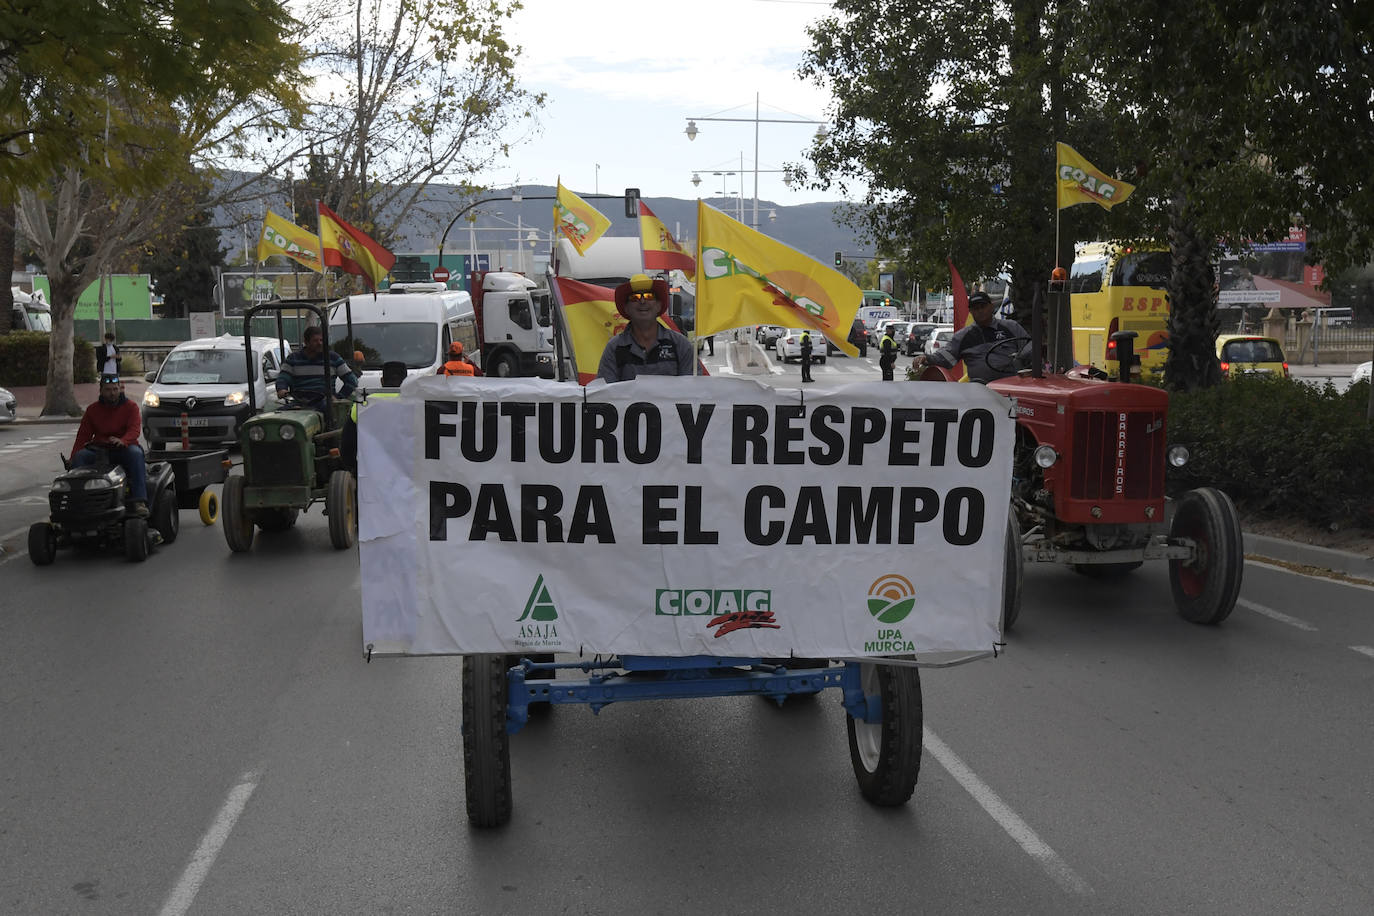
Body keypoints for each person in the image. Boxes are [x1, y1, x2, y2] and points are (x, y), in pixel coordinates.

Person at [70, 374, 148, 517]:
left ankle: (139, 501)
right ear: (101, 391)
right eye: (108, 390)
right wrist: (73, 457)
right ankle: (78, 501)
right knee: (80, 458)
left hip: (124, 448)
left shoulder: (131, 407)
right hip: (100, 450)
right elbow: (83, 436)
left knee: (136, 454)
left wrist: (123, 440)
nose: (112, 393)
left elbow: (134, 430)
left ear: (120, 389)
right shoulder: (92, 410)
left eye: (114, 389)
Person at [912, 291, 1031, 383]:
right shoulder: (964, 336)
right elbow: (946, 357)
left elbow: (1030, 350)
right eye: (975, 308)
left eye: (982, 306)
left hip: (1012, 388)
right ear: (971, 312)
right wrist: (926, 358)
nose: (980, 311)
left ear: (991, 307)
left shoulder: (1011, 327)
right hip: (980, 391)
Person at [596, 274, 694, 382]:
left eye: (649, 296)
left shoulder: (680, 345)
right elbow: (604, 392)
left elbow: (693, 389)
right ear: (626, 308)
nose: (642, 301)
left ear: (659, 305)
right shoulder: (614, 348)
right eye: (635, 297)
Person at [275, 325, 358, 409]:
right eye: (315, 341)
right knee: (280, 414)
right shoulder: (293, 359)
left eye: (321, 340)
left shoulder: (333, 358)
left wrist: (338, 397)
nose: (319, 343)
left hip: (324, 403)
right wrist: (282, 389)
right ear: (306, 342)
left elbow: (352, 381)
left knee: (326, 409)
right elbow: (283, 378)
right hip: (299, 402)